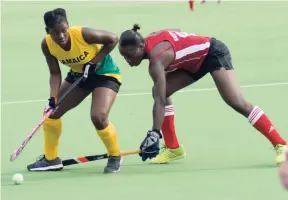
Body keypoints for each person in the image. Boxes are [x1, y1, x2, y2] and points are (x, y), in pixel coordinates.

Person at [118, 24, 287, 165]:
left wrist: (154, 132)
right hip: (193, 63)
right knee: (159, 90)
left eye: (129, 55)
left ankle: (281, 144)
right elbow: (174, 29)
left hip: (213, 53)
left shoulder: (156, 61)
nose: (127, 59)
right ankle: (173, 148)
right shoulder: (149, 41)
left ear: (141, 47)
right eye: (123, 56)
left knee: (236, 101)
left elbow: (161, 99)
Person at [27, 8, 122, 173]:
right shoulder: (47, 44)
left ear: (68, 26)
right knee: (50, 113)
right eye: (55, 33)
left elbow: (113, 39)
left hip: (105, 74)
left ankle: (115, 155)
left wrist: (94, 62)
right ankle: (51, 159)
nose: (61, 36)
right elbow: (55, 73)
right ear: (47, 31)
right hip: (79, 76)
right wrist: (52, 99)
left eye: (64, 31)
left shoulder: (82, 34)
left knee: (98, 117)